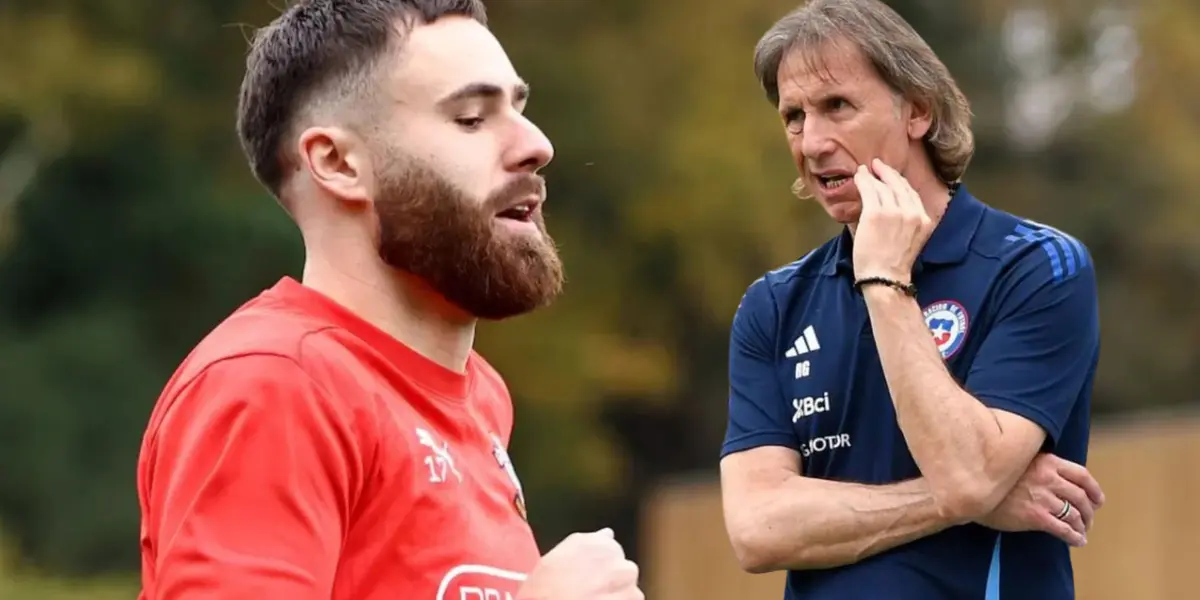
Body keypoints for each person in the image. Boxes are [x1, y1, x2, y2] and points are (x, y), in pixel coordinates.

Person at [135, 1, 643, 599]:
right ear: (338, 163)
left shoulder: (482, 398)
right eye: (472, 118)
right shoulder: (276, 386)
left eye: (520, 109)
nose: (536, 145)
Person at [718, 1, 1105, 598]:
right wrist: (962, 498)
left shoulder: (1035, 265)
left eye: (836, 106)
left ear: (917, 110)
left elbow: (970, 473)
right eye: (793, 116)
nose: (813, 141)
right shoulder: (772, 305)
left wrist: (884, 281)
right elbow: (757, 529)